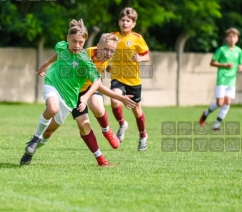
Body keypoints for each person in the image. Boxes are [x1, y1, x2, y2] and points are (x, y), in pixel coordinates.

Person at [20, 20, 135, 166]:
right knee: (78, 123)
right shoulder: (84, 55)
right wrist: (46, 65)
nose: (108, 54)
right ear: (97, 46)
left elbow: (97, 82)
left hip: (81, 92)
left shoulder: (102, 58)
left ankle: (106, 131)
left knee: (96, 109)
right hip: (69, 90)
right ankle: (101, 159)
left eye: (112, 51)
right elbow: (61, 53)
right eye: (106, 49)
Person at [109, 7, 150, 151]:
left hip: (133, 80)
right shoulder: (112, 36)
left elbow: (147, 56)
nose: (125, 23)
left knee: (137, 110)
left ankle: (143, 136)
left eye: (128, 21)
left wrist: (140, 57)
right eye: (122, 20)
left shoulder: (137, 39)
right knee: (114, 99)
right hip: (117, 77)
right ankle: (122, 124)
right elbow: (106, 52)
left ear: (133, 24)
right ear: (119, 22)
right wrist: (107, 65)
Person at [199, 28, 242, 130]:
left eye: (234, 36)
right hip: (222, 79)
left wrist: (241, 67)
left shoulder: (239, 51)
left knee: (227, 102)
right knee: (220, 103)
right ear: (227, 38)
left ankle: (216, 125)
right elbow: (212, 63)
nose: (232, 38)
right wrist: (224, 65)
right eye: (230, 36)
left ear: (237, 38)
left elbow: (241, 64)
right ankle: (205, 114)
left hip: (232, 80)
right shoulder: (221, 50)